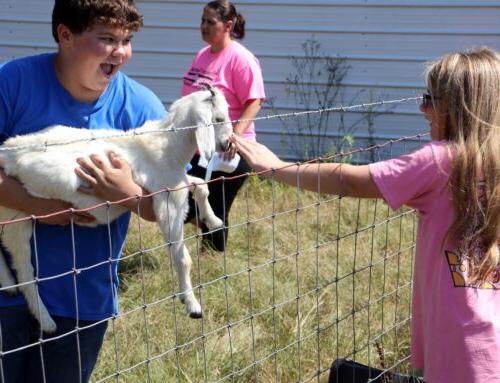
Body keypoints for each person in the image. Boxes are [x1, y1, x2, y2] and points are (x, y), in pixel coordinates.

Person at [231, 48, 500, 383]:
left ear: (457, 107)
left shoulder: (440, 162)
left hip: (457, 350)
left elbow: (349, 180)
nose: (422, 108)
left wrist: (277, 169)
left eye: (430, 98)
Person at [0, 0, 165, 381]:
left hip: (82, 300)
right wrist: (34, 205)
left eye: (127, 40)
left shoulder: (141, 110)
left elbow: (173, 205)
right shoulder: (12, 82)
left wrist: (131, 195)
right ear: (65, 35)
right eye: (107, 39)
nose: (120, 52)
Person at [182, 0, 266, 252]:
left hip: (228, 152)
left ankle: (212, 267)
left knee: (215, 207)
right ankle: (209, 252)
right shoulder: (202, 54)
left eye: (211, 22)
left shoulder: (241, 59)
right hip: (201, 149)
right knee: (186, 202)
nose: (203, 27)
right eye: (202, 21)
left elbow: (255, 101)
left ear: (228, 25)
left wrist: (234, 137)